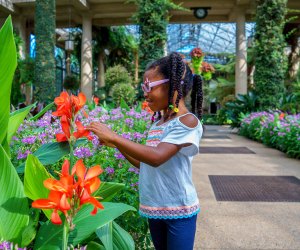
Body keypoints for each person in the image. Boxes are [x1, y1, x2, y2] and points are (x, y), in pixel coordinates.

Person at [87, 52, 203, 250]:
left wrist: (115, 136)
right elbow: (145, 163)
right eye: (144, 87)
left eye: (149, 86)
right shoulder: (158, 123)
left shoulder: (187, 122)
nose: (145, 93)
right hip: (155, 208)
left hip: (178, 209)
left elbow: (157, 157)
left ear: (175, 85)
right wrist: (117, 146)